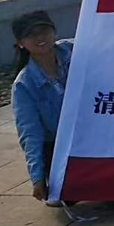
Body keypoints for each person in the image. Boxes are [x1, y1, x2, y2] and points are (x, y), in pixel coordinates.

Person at [10, 11, 72, 204]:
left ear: (54, 31)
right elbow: (30, 132)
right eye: (31, 34)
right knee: (66, 192)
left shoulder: (76, 51)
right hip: (60, 145)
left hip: (95, 132)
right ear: (21, 43)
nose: (40, 37)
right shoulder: (24, 85)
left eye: (44, 30)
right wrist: (37, 177)